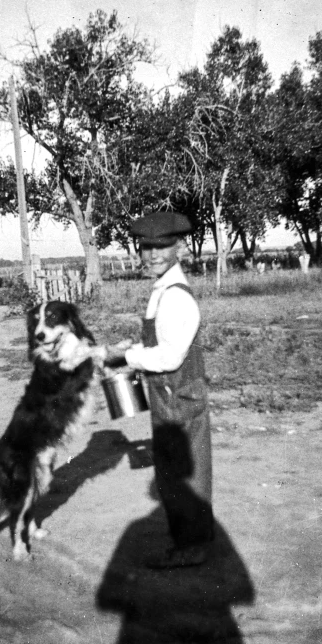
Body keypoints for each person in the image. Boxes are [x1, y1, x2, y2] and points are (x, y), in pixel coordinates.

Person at [104, 211, 214, 568]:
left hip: (179, 394)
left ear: (178, 247)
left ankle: (193, 547)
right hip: (169, 394)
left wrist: (129, 356)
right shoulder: (162, 289)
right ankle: (187, 541)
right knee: (172, 469)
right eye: (146, 248)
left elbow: (169, 356)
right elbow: (161, 341)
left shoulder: (176, 296)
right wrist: (130, 350)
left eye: (162, 248)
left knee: (186, 471)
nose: (152, 255)